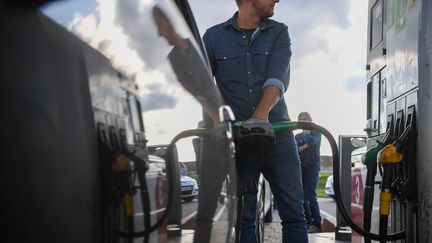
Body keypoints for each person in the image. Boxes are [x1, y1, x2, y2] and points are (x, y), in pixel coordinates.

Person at [203, 0, 308, 242]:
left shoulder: (279, 32)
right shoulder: (213, 37)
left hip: (277, 136)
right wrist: (219, 119)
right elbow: (202, 84)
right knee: (244, 217)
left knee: (294, 215)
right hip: (239, 140)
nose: (277, 0)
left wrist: (260, 116)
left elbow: (277, 78)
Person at [295, 112, 322, 233]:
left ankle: (317, 223)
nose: (302, 120)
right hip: (301, 167)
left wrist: (304, 144)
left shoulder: (317, 132)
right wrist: (304, 146)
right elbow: (295, 149)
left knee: (310, 195)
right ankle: (308, 222)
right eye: (300, 119)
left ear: (310, 120)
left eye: (305, 118)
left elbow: (311, 141)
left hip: (312, 168)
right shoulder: (296, 137)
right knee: (302, 196)